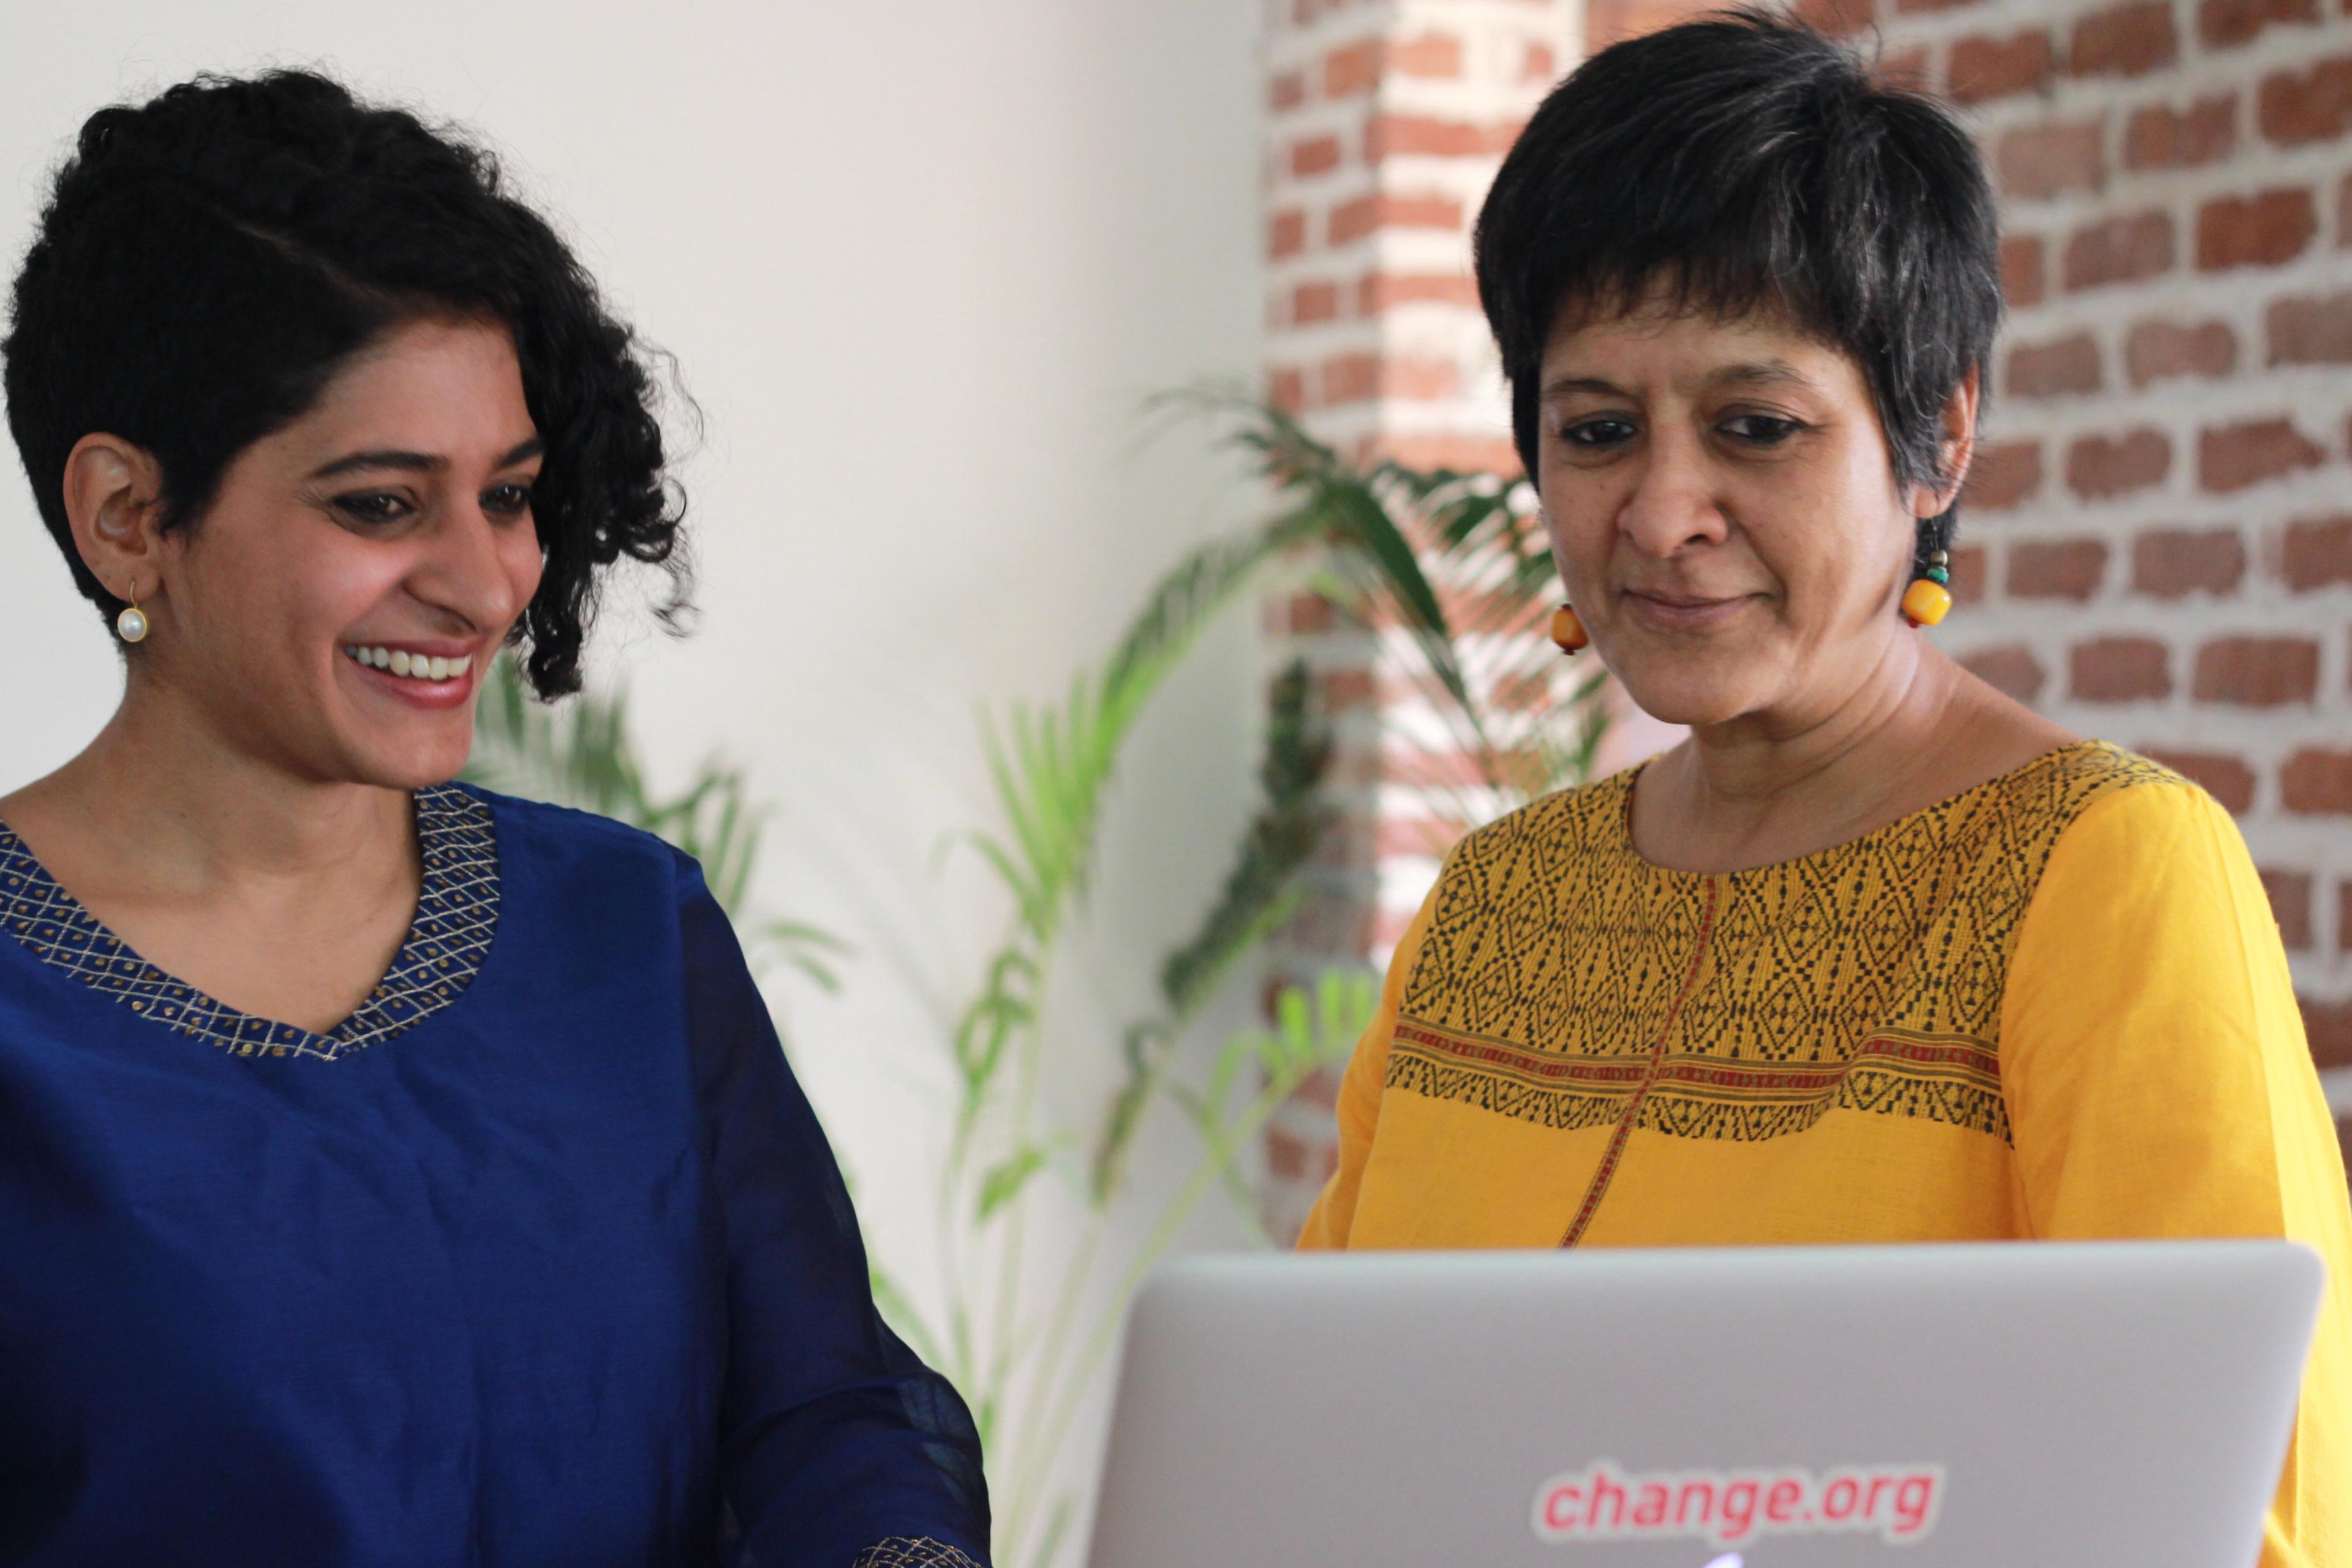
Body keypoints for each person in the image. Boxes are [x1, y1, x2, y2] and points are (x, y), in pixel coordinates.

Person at [1295, 15, 2351, 1566]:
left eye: (1756, 426)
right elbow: (1313, 1421)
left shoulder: (2107, 872)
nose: (1662, 513)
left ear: (1940, 438)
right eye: (1598, 429)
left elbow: (2247, 1515)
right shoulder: (1495, 901)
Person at [0, 71, 986, 1567]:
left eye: (510, 495)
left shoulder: (627, 929)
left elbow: (827, 1409)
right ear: (128, 514)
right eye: (383, 505)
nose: (482, 583)